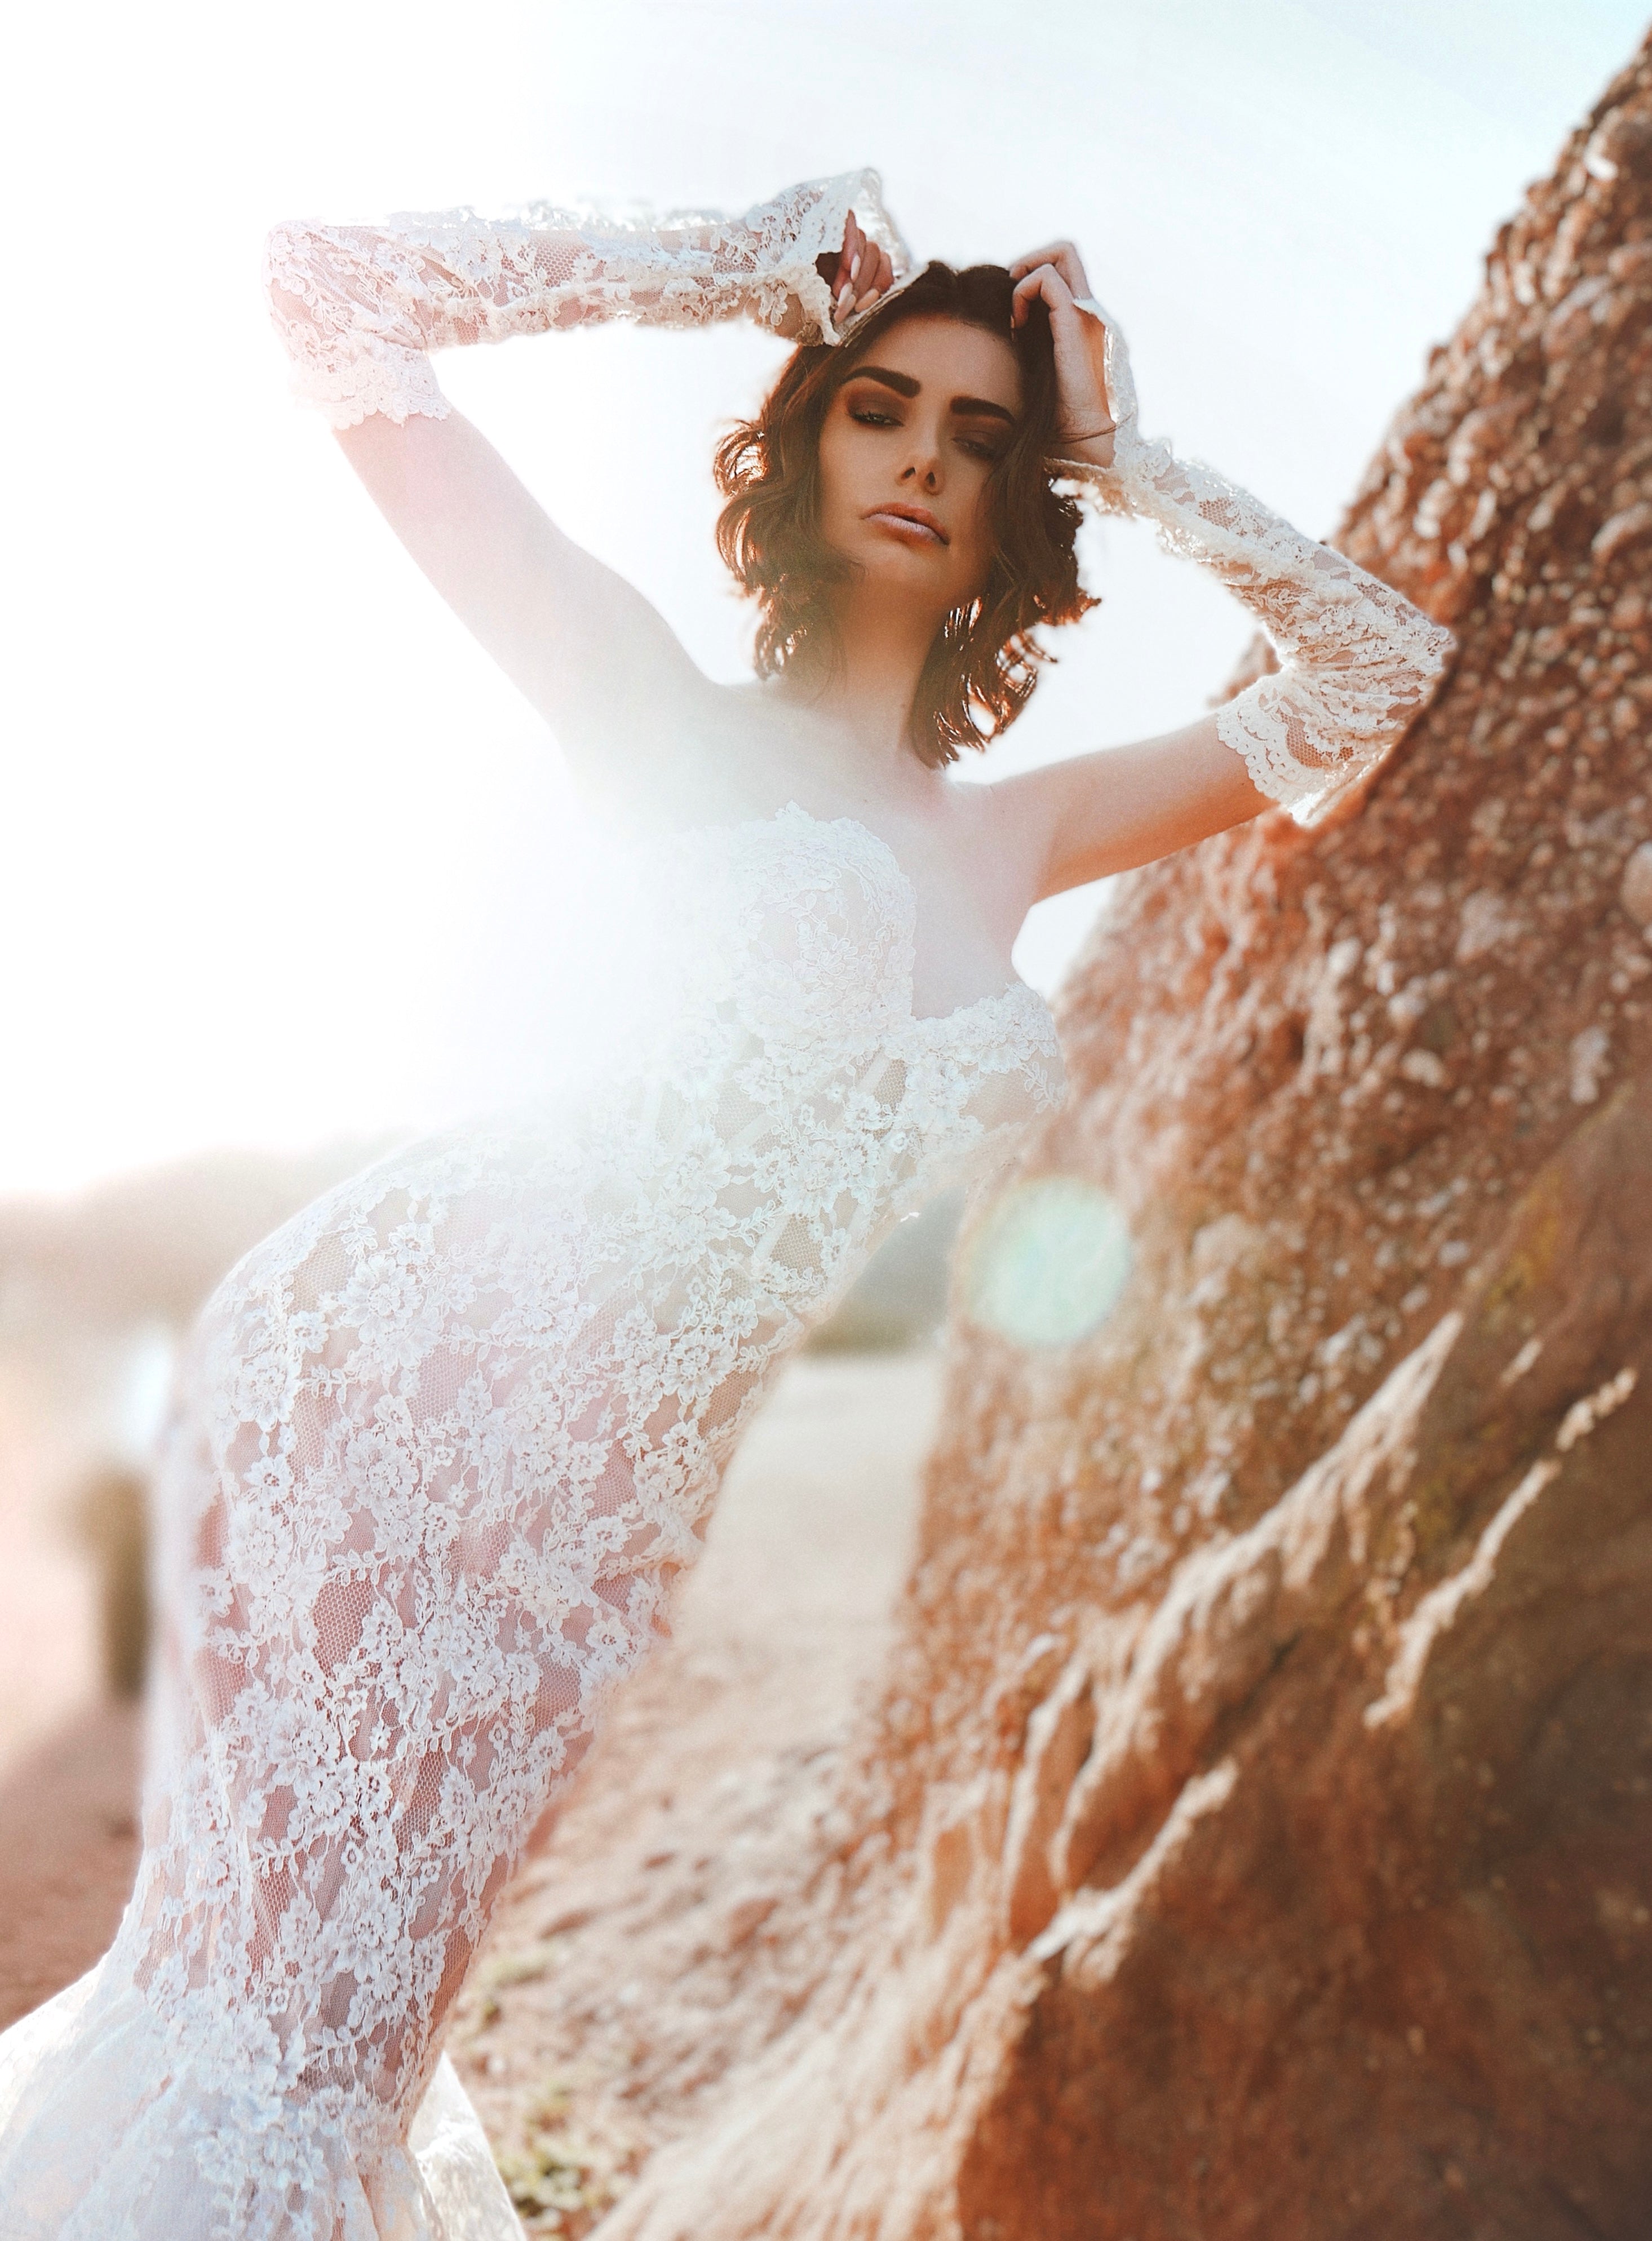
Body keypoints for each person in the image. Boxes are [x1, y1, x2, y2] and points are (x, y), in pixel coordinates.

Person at [0, 170, 1452, 2239]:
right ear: (802, 440)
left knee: (361, 2032)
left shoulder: (1013, 833)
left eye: (980, 437)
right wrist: (720, 267)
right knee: (279, 2035)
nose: (925, 464)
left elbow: (1368, 671)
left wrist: (1129, 455)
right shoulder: (652, 705)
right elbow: (322, 289)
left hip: (609, 1501)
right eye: (879, 410)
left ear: (1014, 509)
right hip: (389, 1381)